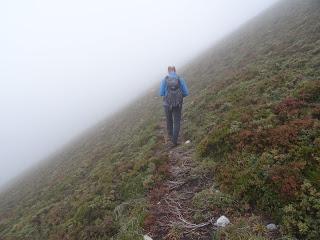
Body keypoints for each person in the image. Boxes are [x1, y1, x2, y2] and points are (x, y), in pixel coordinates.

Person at [159, 66, 189, 147]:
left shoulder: (164, 80)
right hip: (177, 104)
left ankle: (170, 138)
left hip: (167, 104)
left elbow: (161, 93)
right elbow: (186, 92)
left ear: (168, 71)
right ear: (175, 70)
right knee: (176, 122)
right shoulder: (179, 79)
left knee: (169, 121)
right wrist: (179, 96)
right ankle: (174, 141)